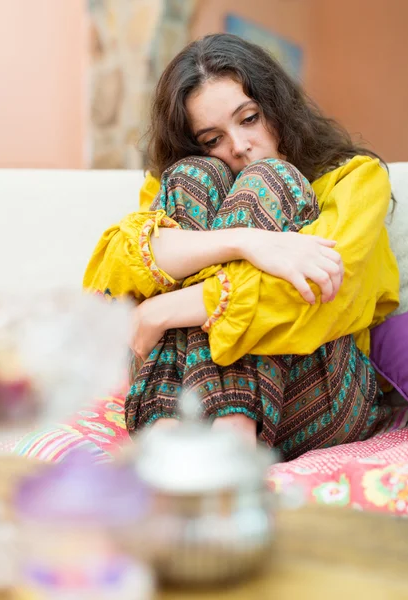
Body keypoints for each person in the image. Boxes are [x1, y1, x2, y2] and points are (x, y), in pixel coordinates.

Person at [84, 34, 399, 458]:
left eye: (249, 118)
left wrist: (163, 309)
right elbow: (112, 276)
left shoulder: (356, 179)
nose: (238, 145)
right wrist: (247, 242)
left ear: (276, 108)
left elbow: (315, 295)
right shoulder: (183, 186)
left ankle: (222, 436)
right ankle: (175, 439)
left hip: (317, 388)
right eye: (212, 139)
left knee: (272, 178)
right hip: (185, 390)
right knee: (193, 175)